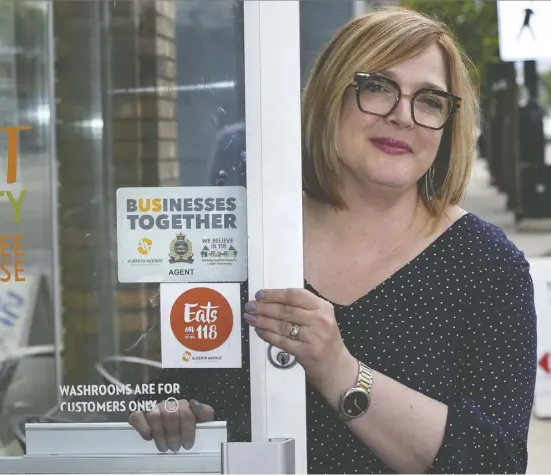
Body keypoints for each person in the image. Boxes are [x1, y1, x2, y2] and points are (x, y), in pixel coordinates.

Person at [129, 6, 538, 474]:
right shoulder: (247, 238)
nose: (403, 116)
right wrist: (171, 414)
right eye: (378, 87)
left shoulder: (487, 266)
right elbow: (178, 389)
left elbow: (496, 463)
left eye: (429, 101)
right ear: (331, 96)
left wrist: (341, 371)